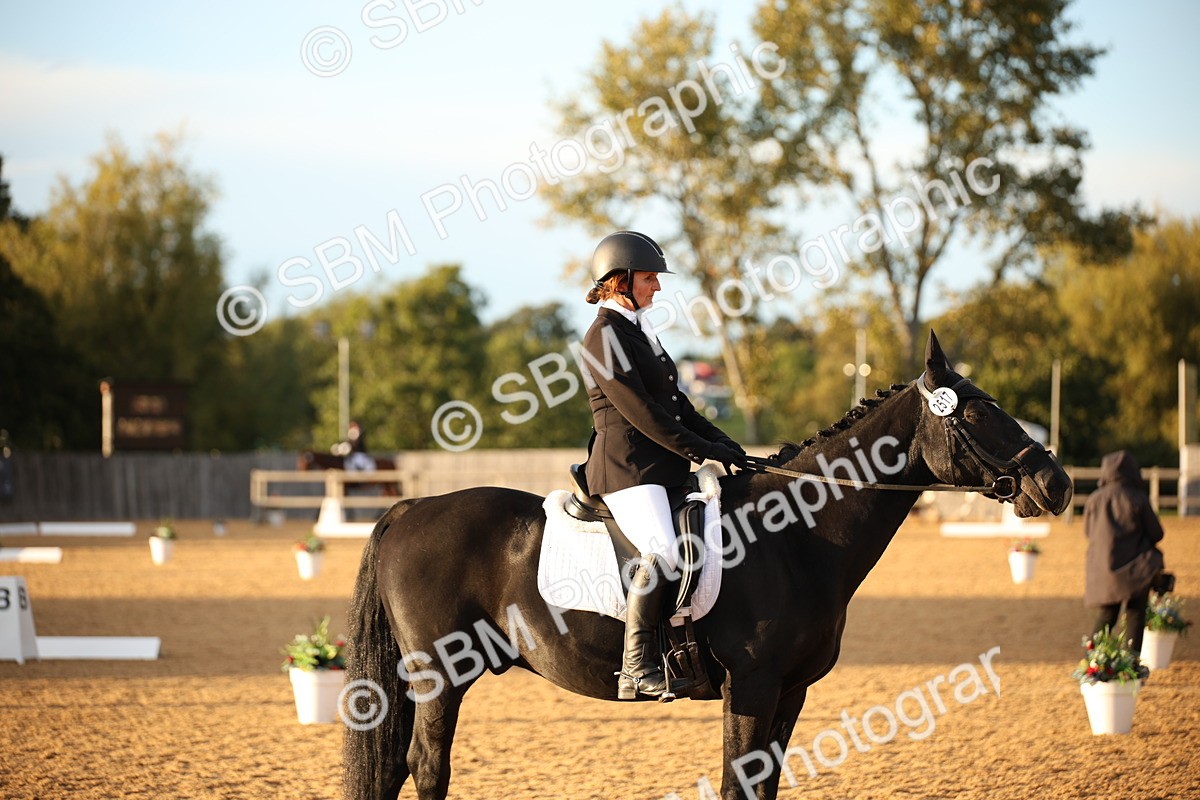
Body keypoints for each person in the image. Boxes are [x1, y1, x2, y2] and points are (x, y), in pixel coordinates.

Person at [580, 230, 753, 699]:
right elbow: (643, 413)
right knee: (664, 551)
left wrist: (724, 444)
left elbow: (676, 404)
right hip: (628, 469)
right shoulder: (603, 337)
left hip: (661, 468)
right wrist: (700, 450)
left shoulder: (638, 330)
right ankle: (634, 666)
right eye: (650, 278)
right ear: (620, 280)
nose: (657, 287)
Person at [1083, 450, 1165, 653]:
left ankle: (1093, 662)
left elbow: (1088, 532)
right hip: (1136, 571)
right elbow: (1156, 533)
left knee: (1106, 616)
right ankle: (1131, 663)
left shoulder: (1094, 499)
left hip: (1104, 569)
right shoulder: (1138, 497)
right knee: (1136, 615)